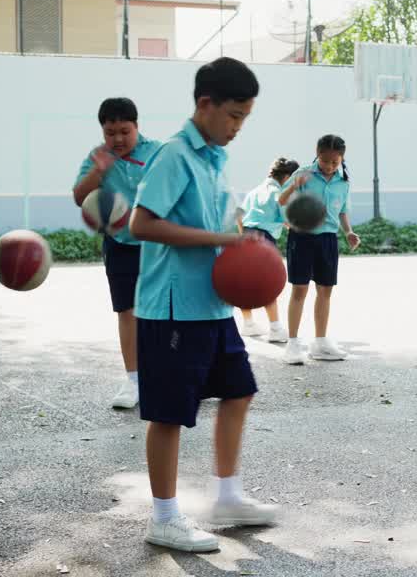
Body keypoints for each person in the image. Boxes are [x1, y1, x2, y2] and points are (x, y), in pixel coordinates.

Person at [129, 57, 277, 552]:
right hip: (173, 308)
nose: (238, 127)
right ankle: (164, 518)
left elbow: (224, 226)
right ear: (205, 105)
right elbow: (141, 224)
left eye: (245, 118)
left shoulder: (215, 157)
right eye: (234, 116)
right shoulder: (174, 154)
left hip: (213, 307)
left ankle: (228, 496)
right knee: (168, 415)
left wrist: (245, 244)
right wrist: (219, 239)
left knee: (239, 391)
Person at [72, 97, 163, 410]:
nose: (118, 139)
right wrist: (99, 171)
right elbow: (78, 196)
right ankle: (134, 379)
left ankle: (169, 373)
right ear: (103, 132)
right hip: (120, 244)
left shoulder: (159, 152)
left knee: (164, 311)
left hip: (157, 244)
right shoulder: (97, 157)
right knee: (127, 311)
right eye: (111, 133)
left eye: (125, 131)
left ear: (137, 126)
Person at [277, 135, 361, 364]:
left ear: (342, 158)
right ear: (317, 154)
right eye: (326, 161)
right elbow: (281, 200)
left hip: (328, 240)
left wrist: (348, 232)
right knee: (300, 290)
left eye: (335, 162)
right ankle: (293, 344)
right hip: (301, 237)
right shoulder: (303, 174)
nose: (330, 166)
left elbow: (342, 211)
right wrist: (294, 185)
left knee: (325, 291)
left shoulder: (343, 181)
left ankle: (320, 342)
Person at [235, 157, 298, 343]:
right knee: (267, 283)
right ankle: (276, 328)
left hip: (246, 235)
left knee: (245, 282)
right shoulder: (279, 193)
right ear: (287, 177)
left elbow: (238, 214)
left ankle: (248, 324)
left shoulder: (255, 191)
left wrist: (244, 235)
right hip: (264, 239)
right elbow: (289, 221)